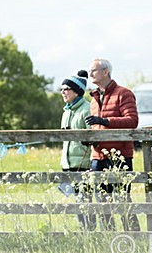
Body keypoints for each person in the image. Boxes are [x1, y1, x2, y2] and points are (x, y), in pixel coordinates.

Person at [86, 58, 140, 231]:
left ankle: (134, 235)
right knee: (101, 199)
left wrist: (105, 120)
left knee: (122, 199)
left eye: (93, 70)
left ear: (105, 72)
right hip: (98, 156)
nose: (90, 74)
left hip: (120, 156)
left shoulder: (124, 93)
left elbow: (132, 121)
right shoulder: (94, 99)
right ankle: (109, 235)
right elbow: (96, 127)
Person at [59, 70, 95, 230]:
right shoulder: (66, 111)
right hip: (68, 163)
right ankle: (83, 230)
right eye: (62, 89)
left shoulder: (86, 109)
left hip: (83, 163)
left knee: (85, 201)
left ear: (77, 91)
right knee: (76, 201)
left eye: (66, 88)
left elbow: (92, 137)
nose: (62, 92)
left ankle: (91, 230)